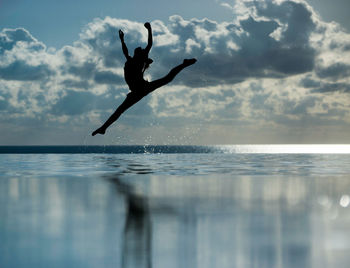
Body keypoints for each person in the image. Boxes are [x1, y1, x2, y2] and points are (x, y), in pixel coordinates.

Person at [92, 22, 196, 136]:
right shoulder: (132, 60)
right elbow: (127, 50)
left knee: (120, 110)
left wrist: (149, 30)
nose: (138, 49)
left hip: (140, 88)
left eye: (139, 50)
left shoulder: (137, 61)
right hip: (139, 90)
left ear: (140, 54)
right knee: (167, 79)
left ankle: (103, 128)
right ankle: (103, 128)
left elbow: (148, 44)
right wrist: (122, 40)